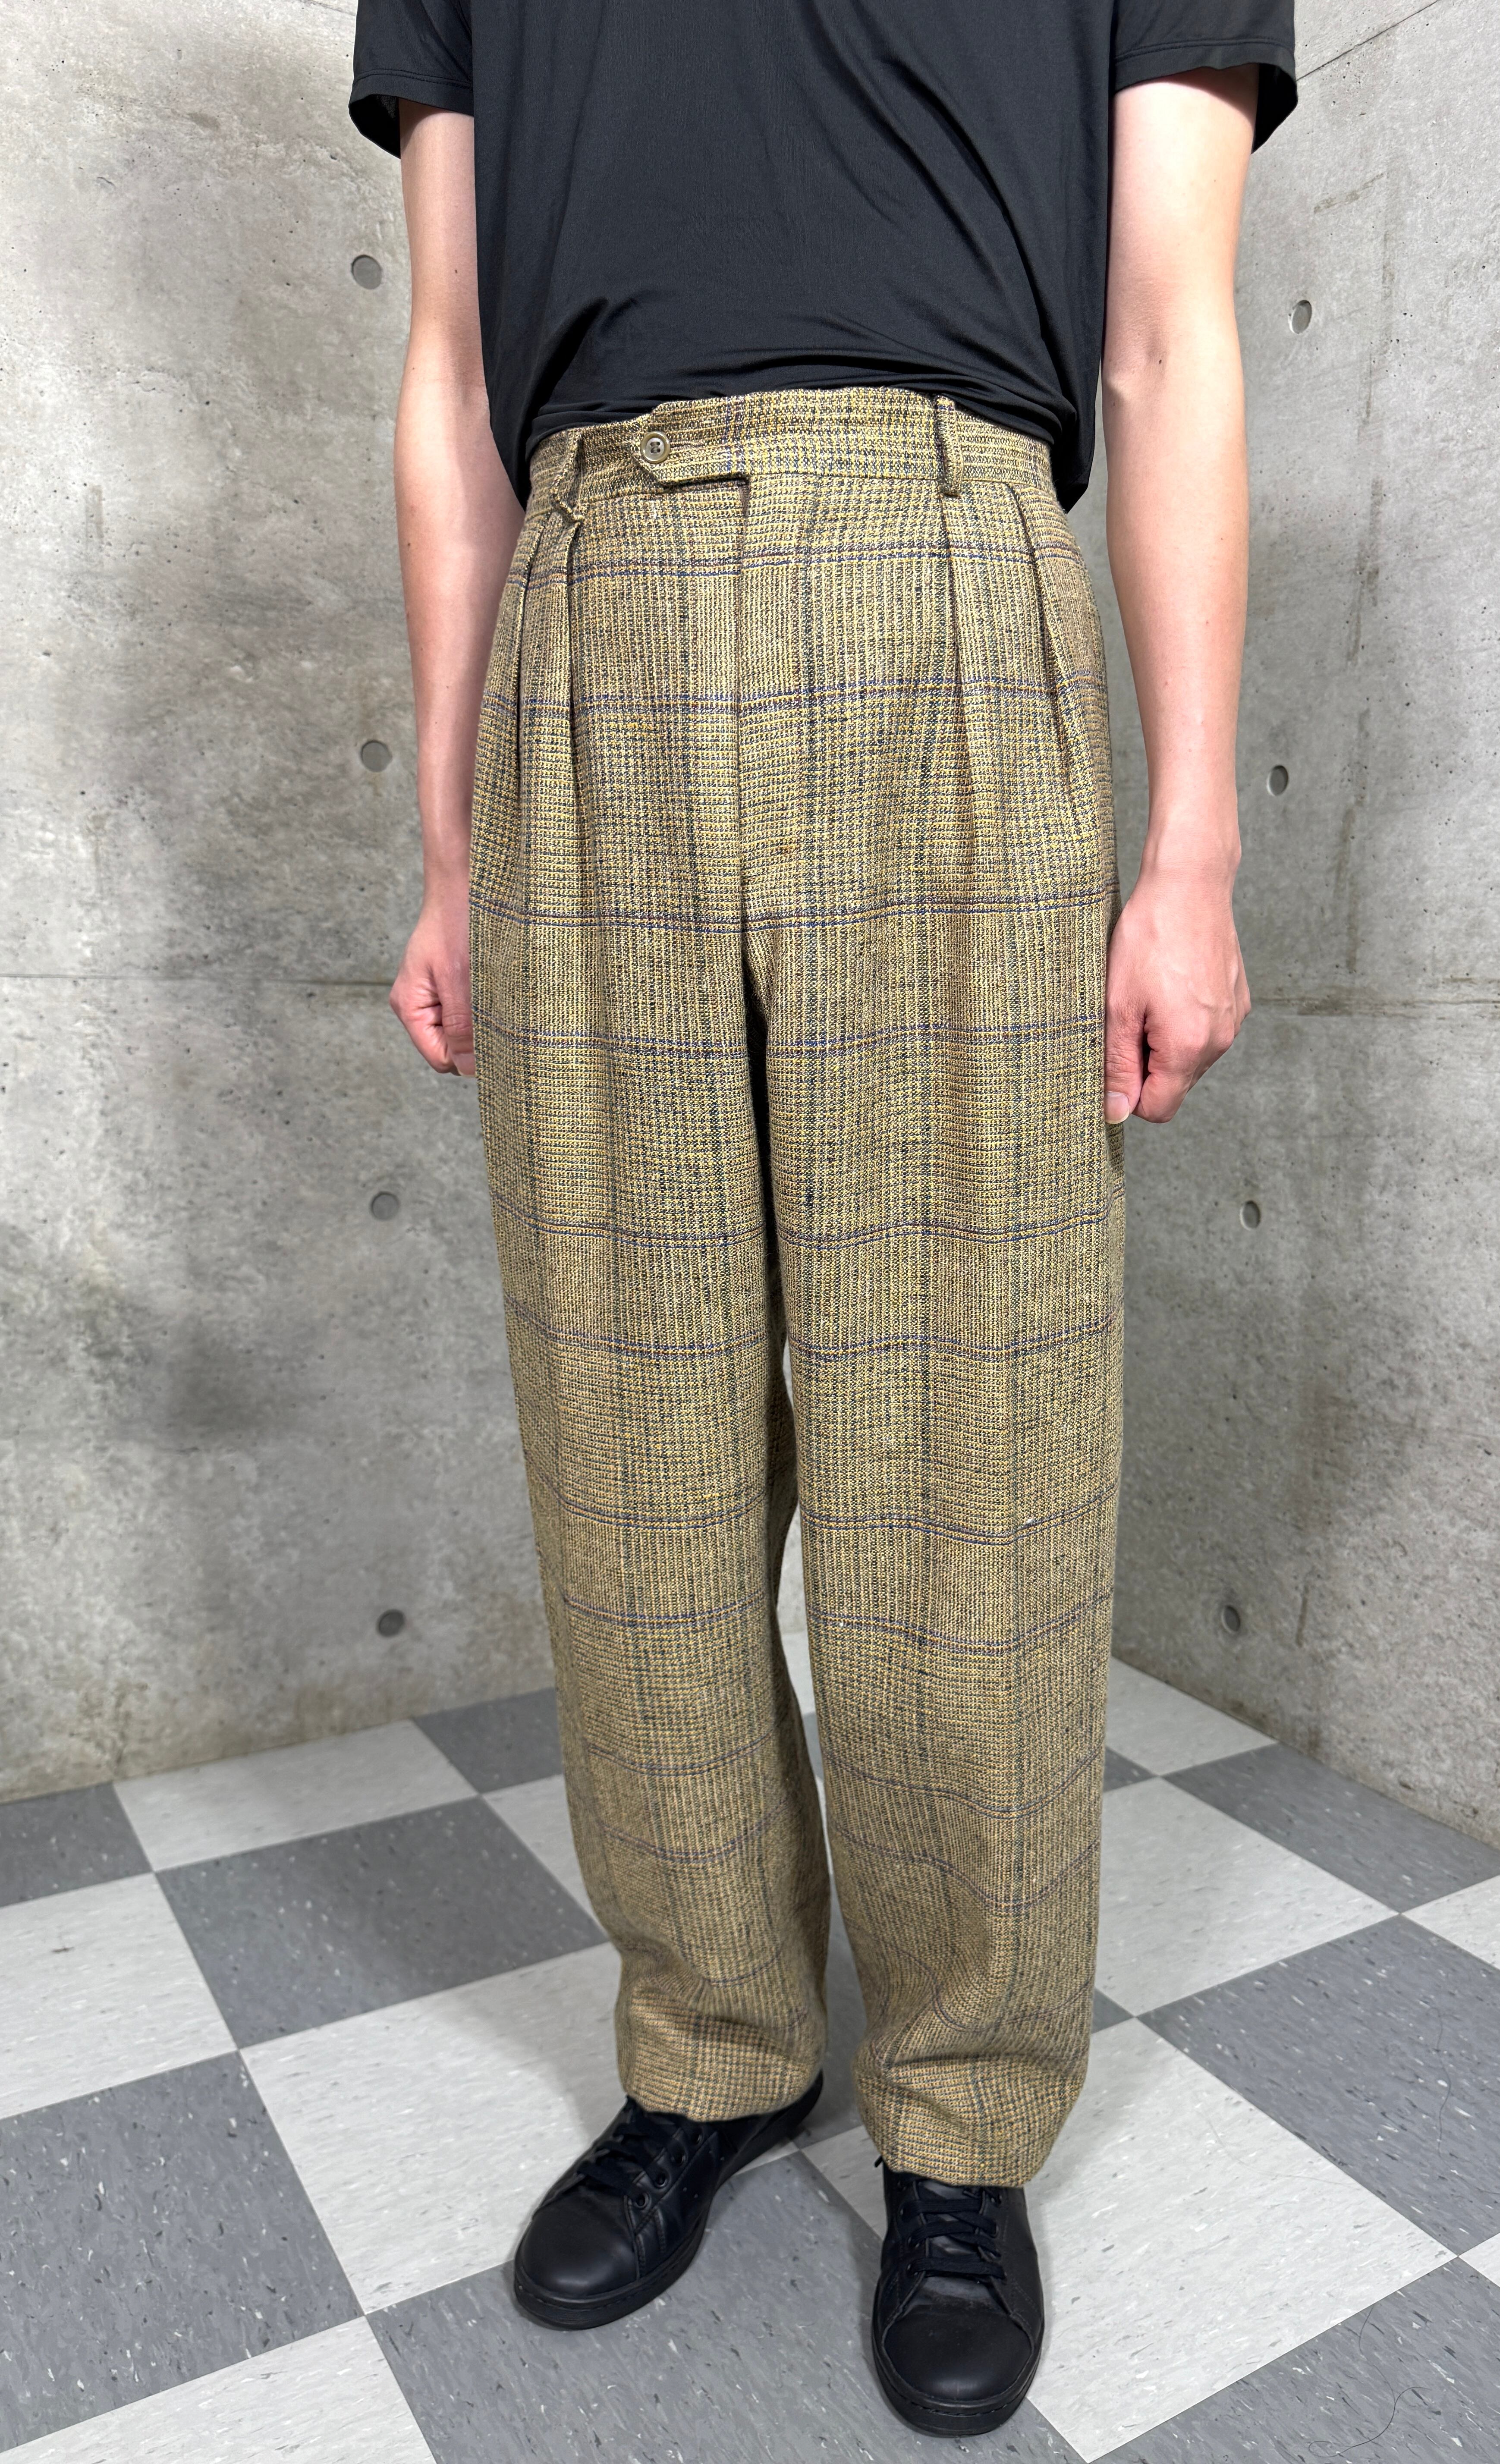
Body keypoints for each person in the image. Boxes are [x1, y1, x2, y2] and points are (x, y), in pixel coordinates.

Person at [349, 0, 1294, 2436]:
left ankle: (960, 2121)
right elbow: (451, 377)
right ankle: (716, 2049)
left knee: (966, 1462)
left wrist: (1190, 847)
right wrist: (449, 842)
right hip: (592, 609)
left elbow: (1171, 332)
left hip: (952, 584)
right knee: (631, 1451)